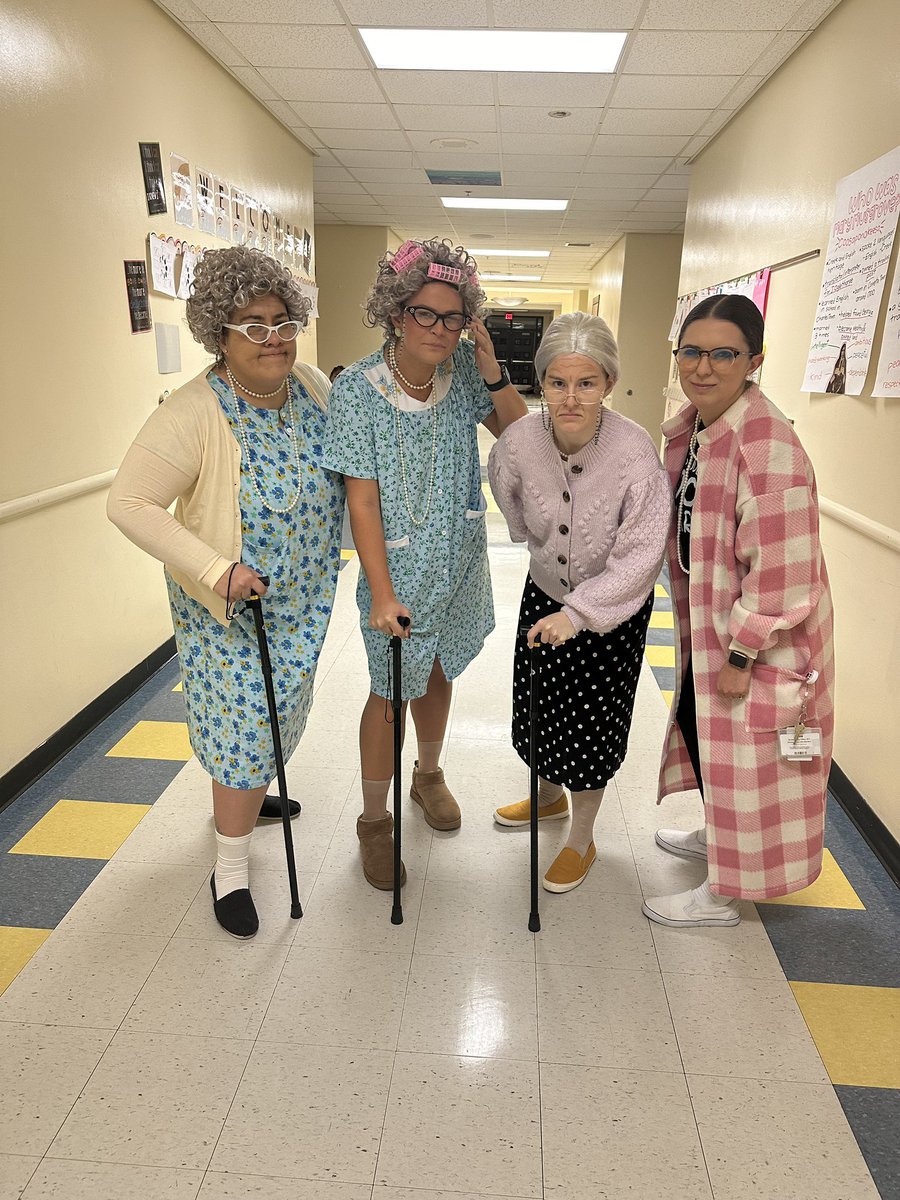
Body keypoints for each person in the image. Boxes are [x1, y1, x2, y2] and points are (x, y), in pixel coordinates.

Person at [108, 246, 343, 939]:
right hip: (230, 607)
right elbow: (130, 503)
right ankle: (231, 866)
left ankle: (249, 794)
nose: (272, 338)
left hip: (300, 599)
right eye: (252, 325)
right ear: (220, 333)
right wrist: (217, 571)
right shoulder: (192, 411)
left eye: (281, 321)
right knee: (243, 727)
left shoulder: (306, 386)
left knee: (277, 713)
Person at [322, 238, 527, 889]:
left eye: (452, 316)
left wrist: (492, 366)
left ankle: (428, 775)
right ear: (395, 311)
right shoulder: (358, 390)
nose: (439, 329)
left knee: (438, 671)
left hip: (457, 560)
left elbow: (521, 440)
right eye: (424, 313)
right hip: (396, 573)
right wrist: (380, 593)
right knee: (388, 695)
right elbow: (361, 500)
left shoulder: (464, 370)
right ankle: (374, 824)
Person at [645, 293, 835, 928]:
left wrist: (743, 649)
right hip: (712, 620)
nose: (702, 367)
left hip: (760, 638)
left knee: (754, 756)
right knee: (714, 739)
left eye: (722, 354)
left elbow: (783, 576)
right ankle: (722, 843)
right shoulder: (700, 425)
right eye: (691, 352)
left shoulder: (767, 446)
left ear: (753, 359)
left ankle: (724, 896)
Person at [488, 313, 671, 892]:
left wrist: (579, 614)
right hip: (544, 593)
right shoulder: (519, 441)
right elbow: (507, 496)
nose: (571, 397)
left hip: (611, 614)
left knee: (592, 727)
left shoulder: (635, 450)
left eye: (586, 383)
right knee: (537, 706)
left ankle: (581, 838)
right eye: (558, 382)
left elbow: (642, 555)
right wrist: (538, 549)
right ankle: (547, 799)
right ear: (540, 382)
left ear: (608, 384)